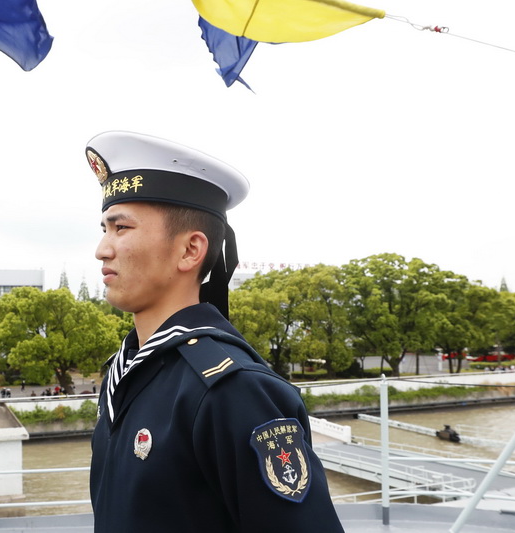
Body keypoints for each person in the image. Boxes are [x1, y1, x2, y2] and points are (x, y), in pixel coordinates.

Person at [86, 131, 344, 532]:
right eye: (104, 229)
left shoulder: (231, 390)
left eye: (121, 229)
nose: (102, 248)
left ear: (190, 250)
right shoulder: (124, 373)